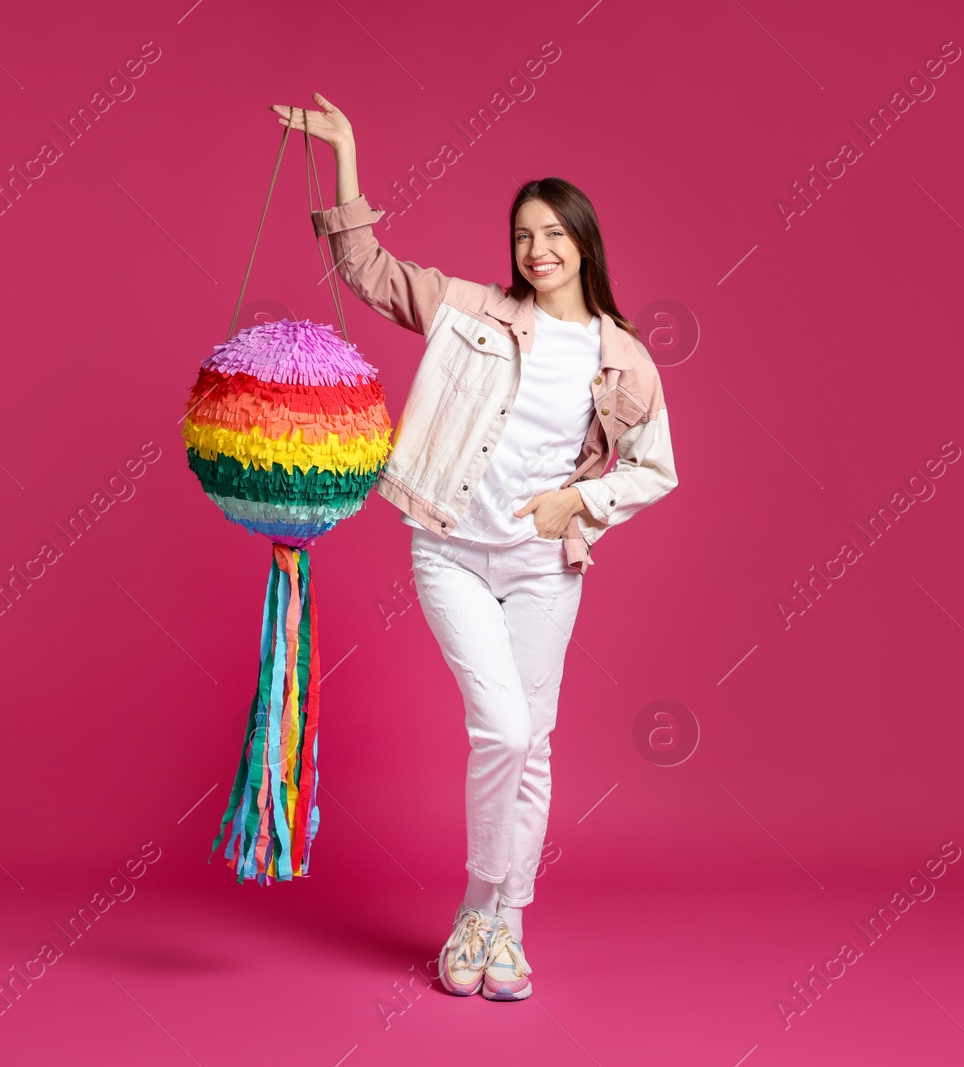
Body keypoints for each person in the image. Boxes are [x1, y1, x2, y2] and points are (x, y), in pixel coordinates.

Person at [272, 92, 678, 1001]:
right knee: (502, 725)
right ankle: (477, 910)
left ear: (584, 243)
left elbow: (657, 469)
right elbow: (366, 269)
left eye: (555, 234)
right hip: (452, 548)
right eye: (526, 235)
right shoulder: (469, 310)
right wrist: (346, 150)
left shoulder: (624, 358)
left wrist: (578, 495)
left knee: (531, 744)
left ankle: (501, 923)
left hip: (545, 566)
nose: (539, 249)